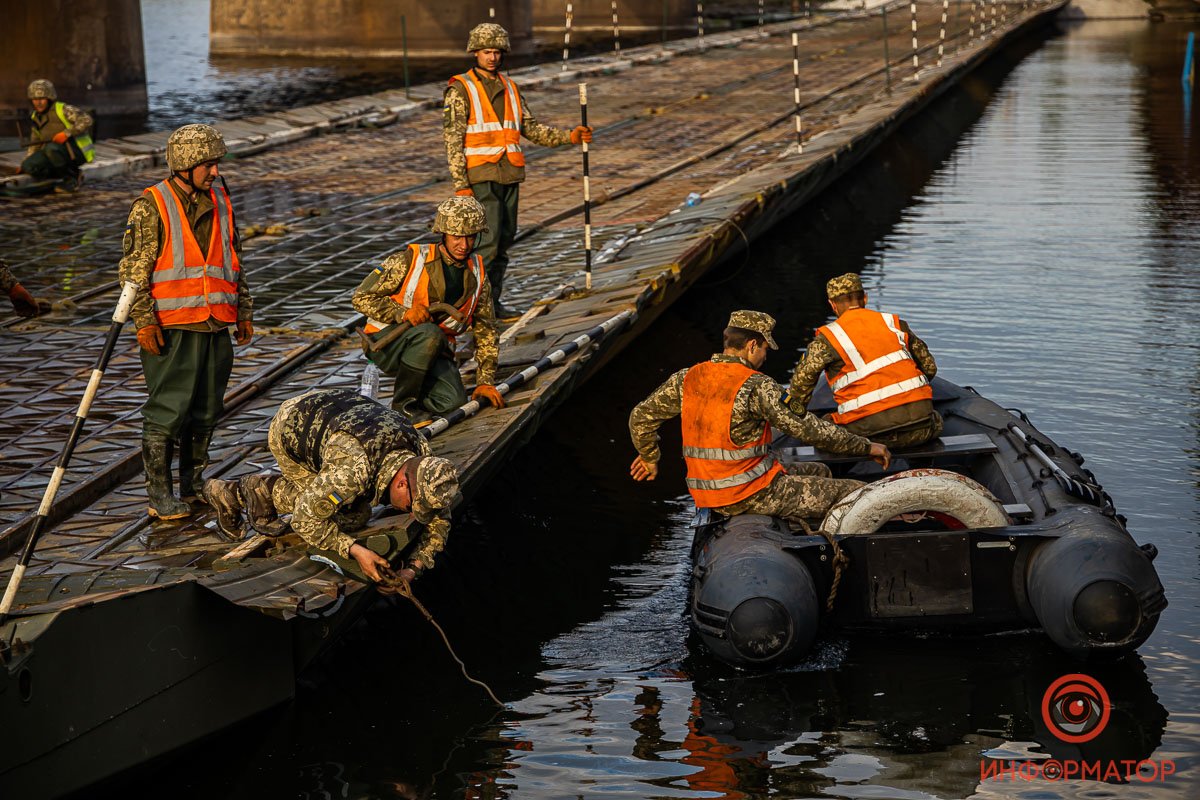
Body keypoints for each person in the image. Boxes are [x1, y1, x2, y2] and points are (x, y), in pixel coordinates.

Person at [629, 310, 891, 525]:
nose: (765, 356)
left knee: (820, 470)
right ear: (752, 345)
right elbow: (810, 429)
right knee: (855, 492)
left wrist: (650, 457)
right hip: (750, 493)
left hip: (706, 493)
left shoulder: (686, 378)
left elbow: (641, 416)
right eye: (765, 348)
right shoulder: (757, 386)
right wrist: (866, 447)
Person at [118, 123, 254, 520]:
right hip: (173, 326)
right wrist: (144, 322)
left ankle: (192, 488)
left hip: (216, 323)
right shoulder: (152, 205)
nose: (215, 171)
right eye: (208, 164)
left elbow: (234, 258)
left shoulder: (221, 198)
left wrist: (243, 309)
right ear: (186, 165)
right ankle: (159, 496)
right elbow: (134, 271)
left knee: (207, 408)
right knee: (168, 410)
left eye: (217, 164)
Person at [204, 388, 461, 585]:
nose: (414, 514)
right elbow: (306, 520)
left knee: (350, 503)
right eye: (412, 506)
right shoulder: (353, 471)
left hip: (335, 408)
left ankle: (246, 491)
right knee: (350, 516)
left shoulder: (420, 453)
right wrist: (354, 549)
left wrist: (413, 567)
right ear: (403, 483)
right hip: (292, 425)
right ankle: (246, 491)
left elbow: (440, 518)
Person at [444, 22, 594, 320]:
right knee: (487, 245)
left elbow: (531, 128)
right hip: (480, 176)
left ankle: (492, 304)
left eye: (497, 52)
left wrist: (570, 136)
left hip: (509, 173)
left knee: (503, 244)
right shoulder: (461, 88)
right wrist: (460, 184)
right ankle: (476, 308)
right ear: (475, 52)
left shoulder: (511, 88)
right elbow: (452, 139)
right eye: (487, 51)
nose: (492, 57)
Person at [352, 195, 505, 422]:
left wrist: (485, 381)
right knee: (429, 333)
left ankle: (420, 393)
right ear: (443, 233)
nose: (464, 245)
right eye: (457, 237)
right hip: (386, 343)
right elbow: (360, 298)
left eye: (471, 237)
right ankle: (403, 408)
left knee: (453, 404)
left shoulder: (477, 275)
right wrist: (402, 313)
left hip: (434, 350)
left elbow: (486, 329)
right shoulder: (409, 260)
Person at [788, 273, 940, 449]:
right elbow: (929, 368)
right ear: (865, 298)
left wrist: (789, 418)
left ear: (832, 305)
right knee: (937, 417)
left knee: (824, 427)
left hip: (868, 436)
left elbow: (799, 391)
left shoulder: (827, 340)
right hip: (922, 429)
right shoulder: (894, 324)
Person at [19, 79, 94, 191]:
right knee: (29, 166)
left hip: (76, 151)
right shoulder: (35, 117)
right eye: (35, 99)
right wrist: (25, 164)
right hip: (53, 153)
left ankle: (72, 178)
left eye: (42, 99)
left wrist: (66, 134)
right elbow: (35, 143)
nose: (38, 102)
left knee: (51, 148)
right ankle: (58, 176)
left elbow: (87, 120)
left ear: (49, 98)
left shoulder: (63, 109)